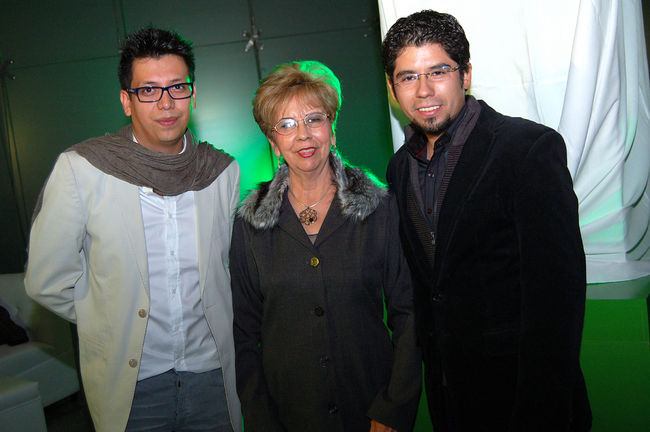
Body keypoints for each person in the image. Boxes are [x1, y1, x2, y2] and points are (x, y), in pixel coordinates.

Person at [381, 10, 592, 432]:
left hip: (526, 403)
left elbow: (557, 300)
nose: (423, 90)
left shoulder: (527, 149)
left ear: (466, 74)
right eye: (408, 77)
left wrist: (540, 414)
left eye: (438, 71)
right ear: (392, 87)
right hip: (451, 403)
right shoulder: (399, 168)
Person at [24, 27, 241, 432]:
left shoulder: (221, 172)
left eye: (177, 87)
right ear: (127, 101)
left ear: (192, 93)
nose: (166, 103)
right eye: (148, 90)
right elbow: (46, 280)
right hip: (133, 385)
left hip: (210, 375)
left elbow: (227, 270)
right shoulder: (84, 169)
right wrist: (110, 317)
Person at [229, 60, 421, 432]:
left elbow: (409, 315)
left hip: (371, 411)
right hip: (289, 418)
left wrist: (393, 408)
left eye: (314, 119)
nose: (303, 135)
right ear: (273, 142)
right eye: (286, 124)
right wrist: (262, 421)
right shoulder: (249, 224)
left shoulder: (380, 209)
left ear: (332, 130)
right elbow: (244, 335)